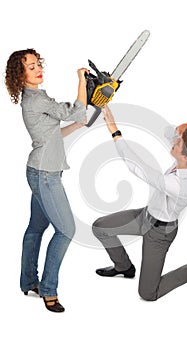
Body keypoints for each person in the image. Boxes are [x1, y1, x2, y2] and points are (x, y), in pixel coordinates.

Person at [92, 105, 187, 301]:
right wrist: (178, 131)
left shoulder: (180, 185)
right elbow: (170, 137)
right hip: (145, 216)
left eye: (178, 143)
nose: (174, 142)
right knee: (100, 227)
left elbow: (136, 167)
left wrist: (115, 131)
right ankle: (124, 267)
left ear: (185, 157)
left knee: (148, 293)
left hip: (160, 233)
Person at [5, 48, 89, 312]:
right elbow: (75, 110)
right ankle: (48, 290)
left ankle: (28, 281)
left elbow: (52, 133)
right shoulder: (37, 100)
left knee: (35, 229)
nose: (37, 69)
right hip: (45, 175)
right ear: (20, 76)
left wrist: (77, 126)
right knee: (67, 230)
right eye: (30, 67)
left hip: (40, 171)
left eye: (36, 64)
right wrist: (82, 83)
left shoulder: (35, 99)